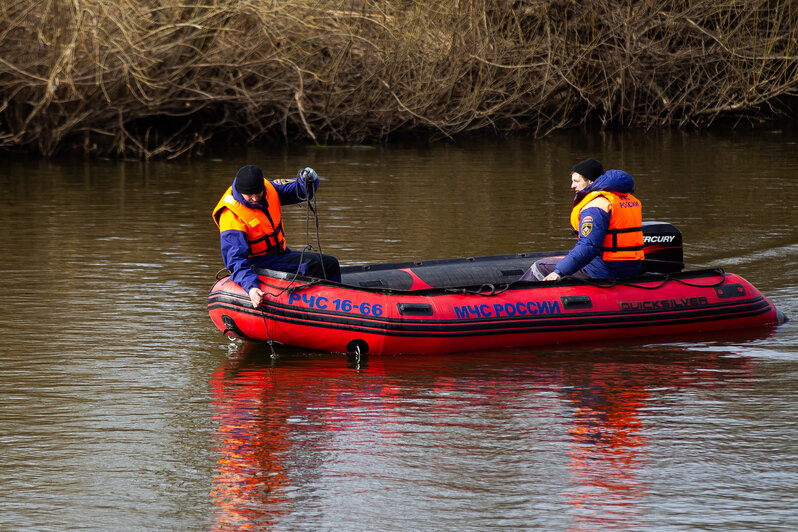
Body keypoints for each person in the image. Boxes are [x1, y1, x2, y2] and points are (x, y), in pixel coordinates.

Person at [212, 164, 341, 308]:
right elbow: (235, 260)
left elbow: (298, 190)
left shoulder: (269, 188)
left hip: (279, 255)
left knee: (329, 263)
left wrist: (309, 180)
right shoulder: (231, 216)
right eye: (250, 196)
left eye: (258, 193)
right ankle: (330, 307)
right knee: (316, 265)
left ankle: (331, 303)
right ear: (240, 192)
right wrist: (251, 287)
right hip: (256, 263)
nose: (255, 199)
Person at [521, 158, 644, 282]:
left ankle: (518, 298)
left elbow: (588, 246)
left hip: (603, 269)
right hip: (630, 266)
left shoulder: (596, 206)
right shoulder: (624, 198)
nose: (572, 185)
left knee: (539, 267)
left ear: (590, 181)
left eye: (576, 181)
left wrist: (559, 272)